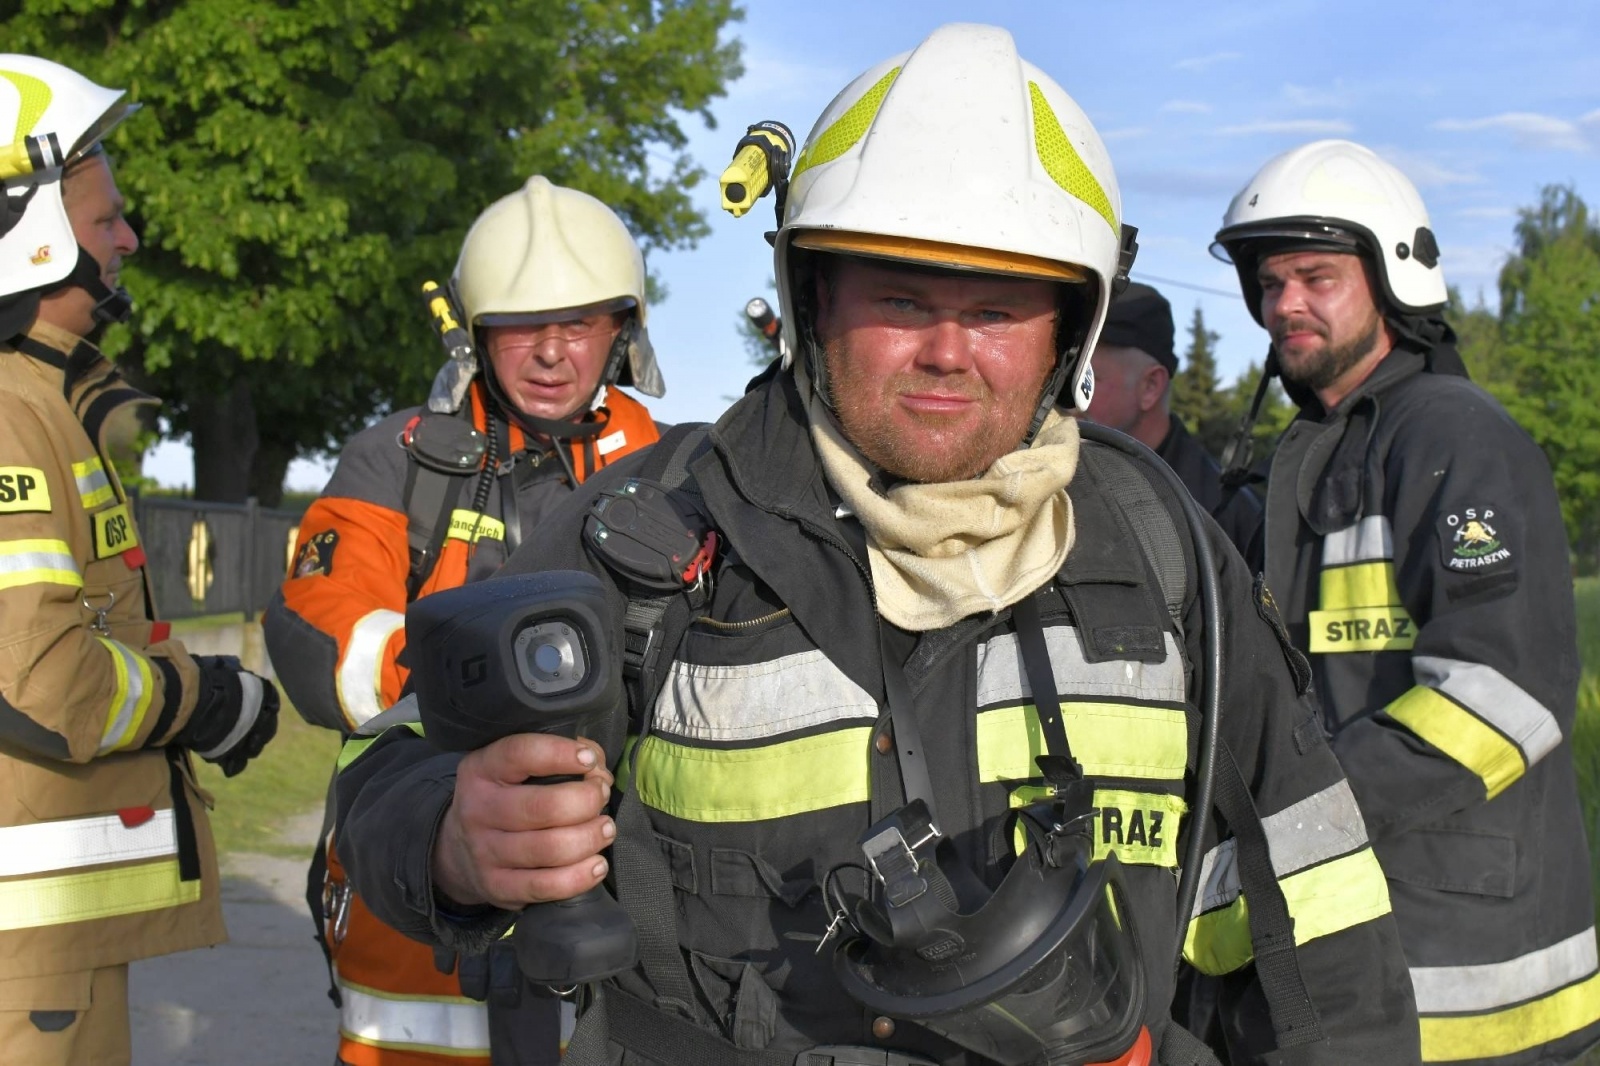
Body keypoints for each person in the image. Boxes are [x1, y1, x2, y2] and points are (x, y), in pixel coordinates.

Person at [334, 25, 1420, 1066]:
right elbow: (385, 759)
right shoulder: (647, 534)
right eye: (900, 298)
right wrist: (451, 838)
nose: (947, 353)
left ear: (1069, 332)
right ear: (813, 298)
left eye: (996, 310)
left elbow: (1319, 902)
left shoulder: (1161, 546)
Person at [1213, 139, 1600, 1065]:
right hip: (1357, 961)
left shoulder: (1456, 438)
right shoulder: (1316, 455)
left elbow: (1501, 696)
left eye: (1314, 276)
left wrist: (1290, 815)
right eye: (1268, 285)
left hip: (1475, 987)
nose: (1283, 305)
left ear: (1393, 280)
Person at [263, 175, 666, 1066]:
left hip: (624, 894)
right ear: (473, 333)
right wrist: (490, 689)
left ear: (623, 330)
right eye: (524, 325)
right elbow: (317, 630)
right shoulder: (397, 461)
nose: (553, 353)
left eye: (581, 323)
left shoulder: (675, 466)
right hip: (423, 911)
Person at [0, 55, 279, 1065]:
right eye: (103, 218)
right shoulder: (7, 412)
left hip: (44, 949)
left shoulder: (40, 399)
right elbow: (41, 682)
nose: (129, 237)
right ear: (25, 228)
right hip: (21, 970)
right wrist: (204, 698)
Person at [1081, 282, 1261, 558]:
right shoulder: (1047, 475)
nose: (1069, 398)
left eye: (1087, 378)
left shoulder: (1220, 514)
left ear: (1150, 387)